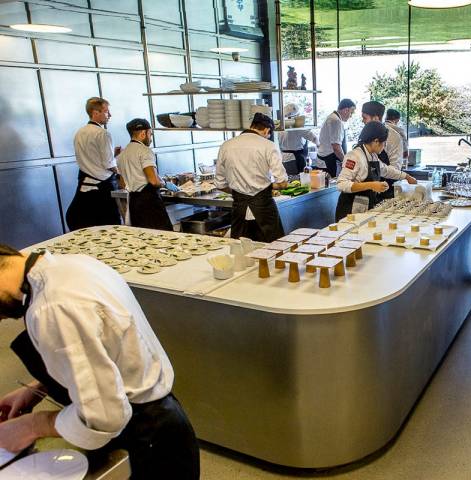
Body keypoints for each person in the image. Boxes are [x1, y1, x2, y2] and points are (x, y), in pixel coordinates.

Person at [0, 245, 199, 479]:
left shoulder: (53, 308)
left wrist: (29, 427)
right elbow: (104, 350)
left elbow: (104, 418)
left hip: (147, 436)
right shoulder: (68, 265)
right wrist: (38, 387)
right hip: (164, 421)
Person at [215, 113, 288, 242]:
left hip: (239, 210)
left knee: (241, 251)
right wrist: (266, 188)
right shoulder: (268, 146)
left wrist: (239, 193)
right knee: (273, 250)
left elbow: (220, 184)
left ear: (251, 126)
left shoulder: (226, 145)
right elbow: (282, 183)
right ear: (266, 130)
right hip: (264, 209)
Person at [335, 121, 417, 221]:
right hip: (349, 211)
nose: (384, 146)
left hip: (363, 209)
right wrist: (372, 185)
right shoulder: (354, 156)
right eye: (384, 143)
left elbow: (386, 170)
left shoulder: (372, 155)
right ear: (376, 141)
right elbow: (341, 184)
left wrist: (406, 177)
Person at [65, 97, 123, 231]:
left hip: (84, 184)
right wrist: (122, 174)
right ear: (95, 112)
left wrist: (113, 155)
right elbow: (109, 165)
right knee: (111, 227)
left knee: (86, 226)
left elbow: (91, 159)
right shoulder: (103, 134)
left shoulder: (80, 132)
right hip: (102, 189)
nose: (110, 115)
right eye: (106, 111)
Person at [116, 118, 177, 231]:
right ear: (143, 133)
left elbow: (122, 184)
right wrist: (164, 183)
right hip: (149, 203)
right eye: (151, 134)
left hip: (134, 203)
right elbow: (153, 181)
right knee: (163, 238)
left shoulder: (121, 155)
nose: (151, 139)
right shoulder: (145, 151)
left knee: (143, 239)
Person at [361, 101, 403, 199]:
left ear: (375, 118)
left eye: (365, 118)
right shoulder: (365, 134)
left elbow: (395, 168)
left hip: (386, 189)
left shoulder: (392, 137)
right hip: (367, 189)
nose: (363, 121)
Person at [316, 99, 355, 178]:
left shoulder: (332, 117)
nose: (351, 116)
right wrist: (345, 163)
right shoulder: (336, 120)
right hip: (327, 162)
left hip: (324, 160)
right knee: (330, 189)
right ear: (346, 110)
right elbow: (336, 147)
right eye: (351, 112)